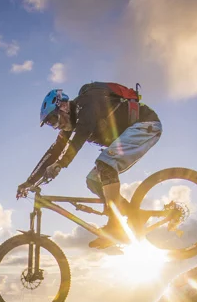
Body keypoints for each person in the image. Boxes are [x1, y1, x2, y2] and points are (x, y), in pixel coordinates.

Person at [17, 83, 162, 248]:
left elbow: (82, 132)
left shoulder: (87, 102)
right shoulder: (72, 122)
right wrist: (29, 182)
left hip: (145, 125)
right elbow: (54, 151)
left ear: (63, 106)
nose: (56, 126)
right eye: (51, 125)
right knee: (93, 180)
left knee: (105, 164)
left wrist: (61, 164)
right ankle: (134, 215)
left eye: (53, 119)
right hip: (132, 134)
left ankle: (115, 225)